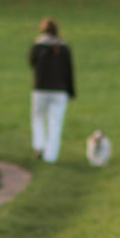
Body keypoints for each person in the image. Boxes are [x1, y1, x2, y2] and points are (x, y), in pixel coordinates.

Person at [27, 17, 76, 162]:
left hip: (40, 89)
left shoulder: (37, 47)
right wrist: (71, 91)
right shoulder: (64, 48)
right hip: (59, 91)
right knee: (55, 123)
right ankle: (51, 156)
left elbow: (31, 63)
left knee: (37, 117)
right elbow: (68, 71)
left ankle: (39, 144)